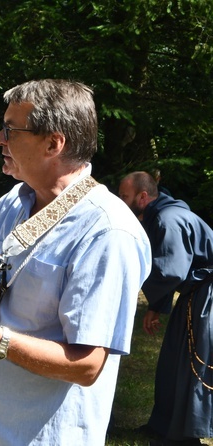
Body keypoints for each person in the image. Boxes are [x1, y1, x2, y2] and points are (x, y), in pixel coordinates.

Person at [0, 79, 152, 445]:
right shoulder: (14, 201)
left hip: (36, 435)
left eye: (10, 130)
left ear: (54, 142)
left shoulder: (109, 232)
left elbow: (87, 365)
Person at [119, 171, 213, 445]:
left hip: (206, 296)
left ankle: (186, 436)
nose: (120, 200)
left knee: (191, 364)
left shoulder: (167, 219)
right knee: (173, 361)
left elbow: (170, 271)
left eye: (125, 196)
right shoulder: (162, 214)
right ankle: (162, 426)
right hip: (194, 293)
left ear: (143, 197)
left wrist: (128, 279)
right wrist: (155, 308)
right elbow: (172, 267)